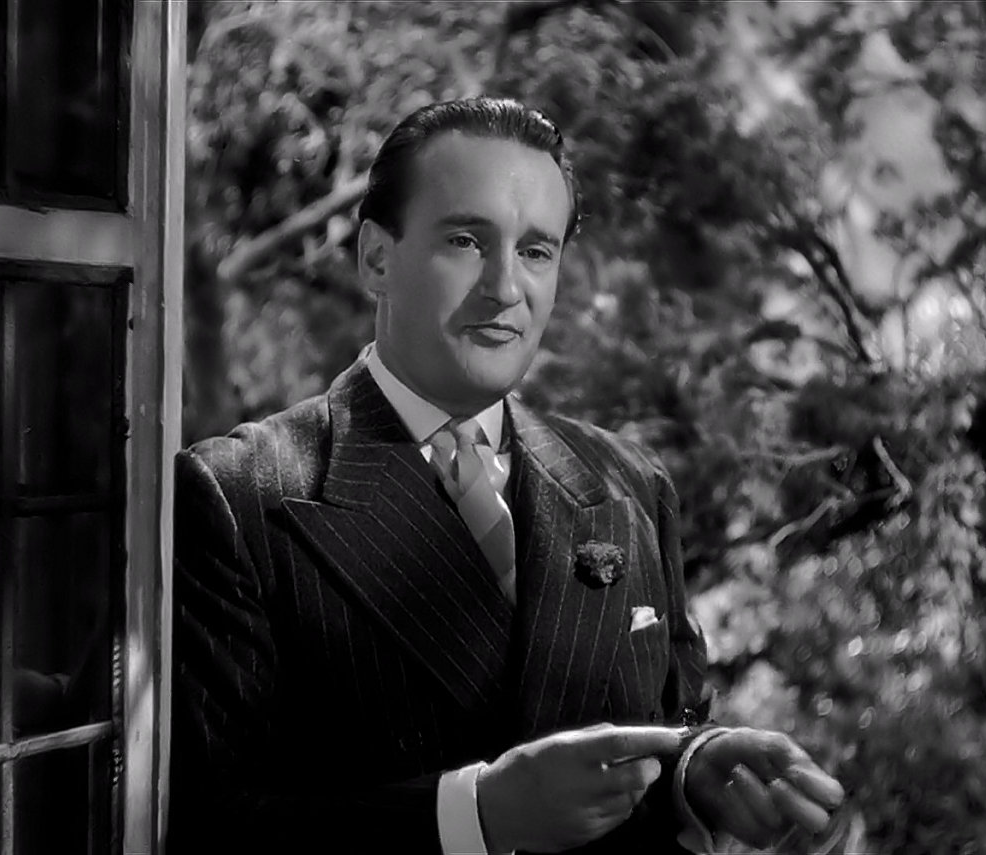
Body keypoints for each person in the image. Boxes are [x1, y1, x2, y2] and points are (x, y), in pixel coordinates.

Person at [168, 97, 844, 854]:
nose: (506, 287)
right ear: (375, 258)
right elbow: (213, 825)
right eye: (466, 240)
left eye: (536, 251)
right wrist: (476, 815)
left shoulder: (630, 483)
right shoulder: (240, 496)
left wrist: (696, 769)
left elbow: (668, 721)